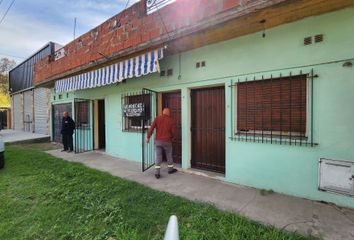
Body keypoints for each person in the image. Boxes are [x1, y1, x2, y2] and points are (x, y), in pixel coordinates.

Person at [146, 108, 178, 179]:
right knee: (169, 155)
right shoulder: (171, 120)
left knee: (158, 156)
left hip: (158, 141)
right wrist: (173, 138)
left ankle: (157, 173)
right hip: (167, 141)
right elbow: (174, 132)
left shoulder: (157, 118)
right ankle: (170, 170)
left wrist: (148, 137)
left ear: (163, 112)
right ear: (168, 113)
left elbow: (151, 128)